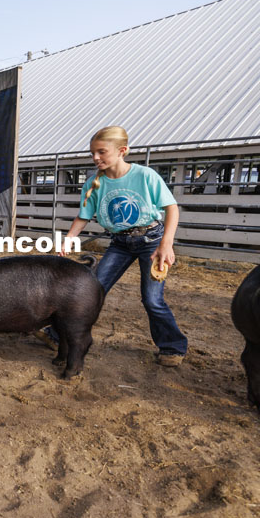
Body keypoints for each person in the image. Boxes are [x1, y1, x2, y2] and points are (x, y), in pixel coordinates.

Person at [55, 125, 188, 366]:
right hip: (120, 242)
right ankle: (58, 335)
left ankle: (172, 347)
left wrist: (166, 244)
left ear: (122, 151)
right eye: (92, 153)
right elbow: (83, 216)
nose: (96, 158)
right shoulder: (94, 184)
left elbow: (171, 208)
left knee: (152, 299)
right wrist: (69, 238)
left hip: (151, 241)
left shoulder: (145, 176)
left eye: (101, 152)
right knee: (91, 289)